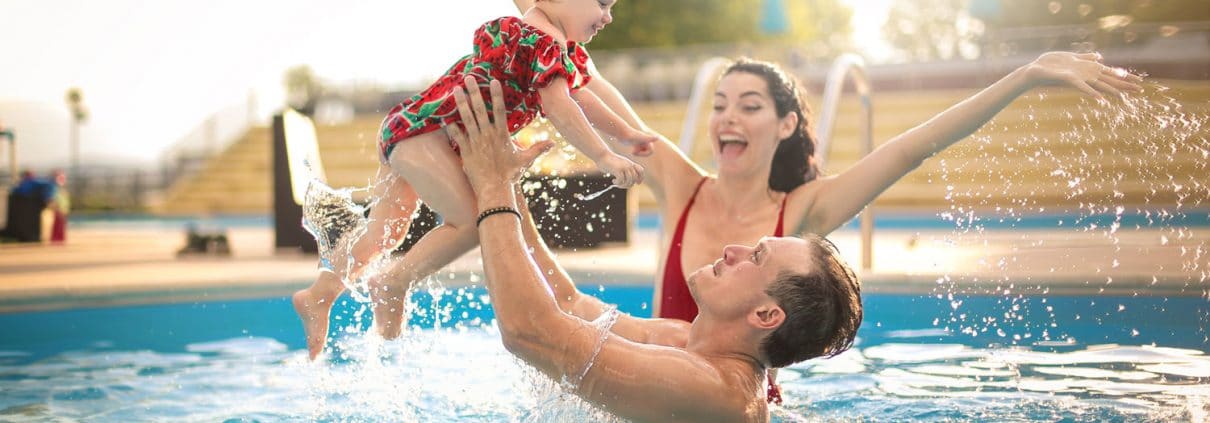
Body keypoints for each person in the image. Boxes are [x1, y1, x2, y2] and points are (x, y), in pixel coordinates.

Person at [452, 77, 863, 422]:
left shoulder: (712, 390)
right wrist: (504, 180)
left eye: (756, 257)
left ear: (766, 315)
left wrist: (491, 188)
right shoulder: (685, 341)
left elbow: (531, 333)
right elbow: (568, 304)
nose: (735, 250)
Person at [293, 0, 657, 359]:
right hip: (427, 136)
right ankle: (392, 283)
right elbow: (562, 109)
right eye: (602, 4)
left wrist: (625, 133)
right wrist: (604, 155)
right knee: (470, 222)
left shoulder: (539, 40)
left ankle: (319, 295)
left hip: (408, 126)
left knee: (385, 233)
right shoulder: (542, 44)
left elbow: (579, 96)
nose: (608, 17)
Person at [47, 170, 69, 244]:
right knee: (58, 225)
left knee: (61, 225)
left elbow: (65, 200)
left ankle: (60, 239)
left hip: (63, 209)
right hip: (58, 209)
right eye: (60, 178)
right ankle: (56, 239)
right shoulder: (53, 187)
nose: (63, 180)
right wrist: (54, 206)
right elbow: (51, 198)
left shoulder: (61, 188)